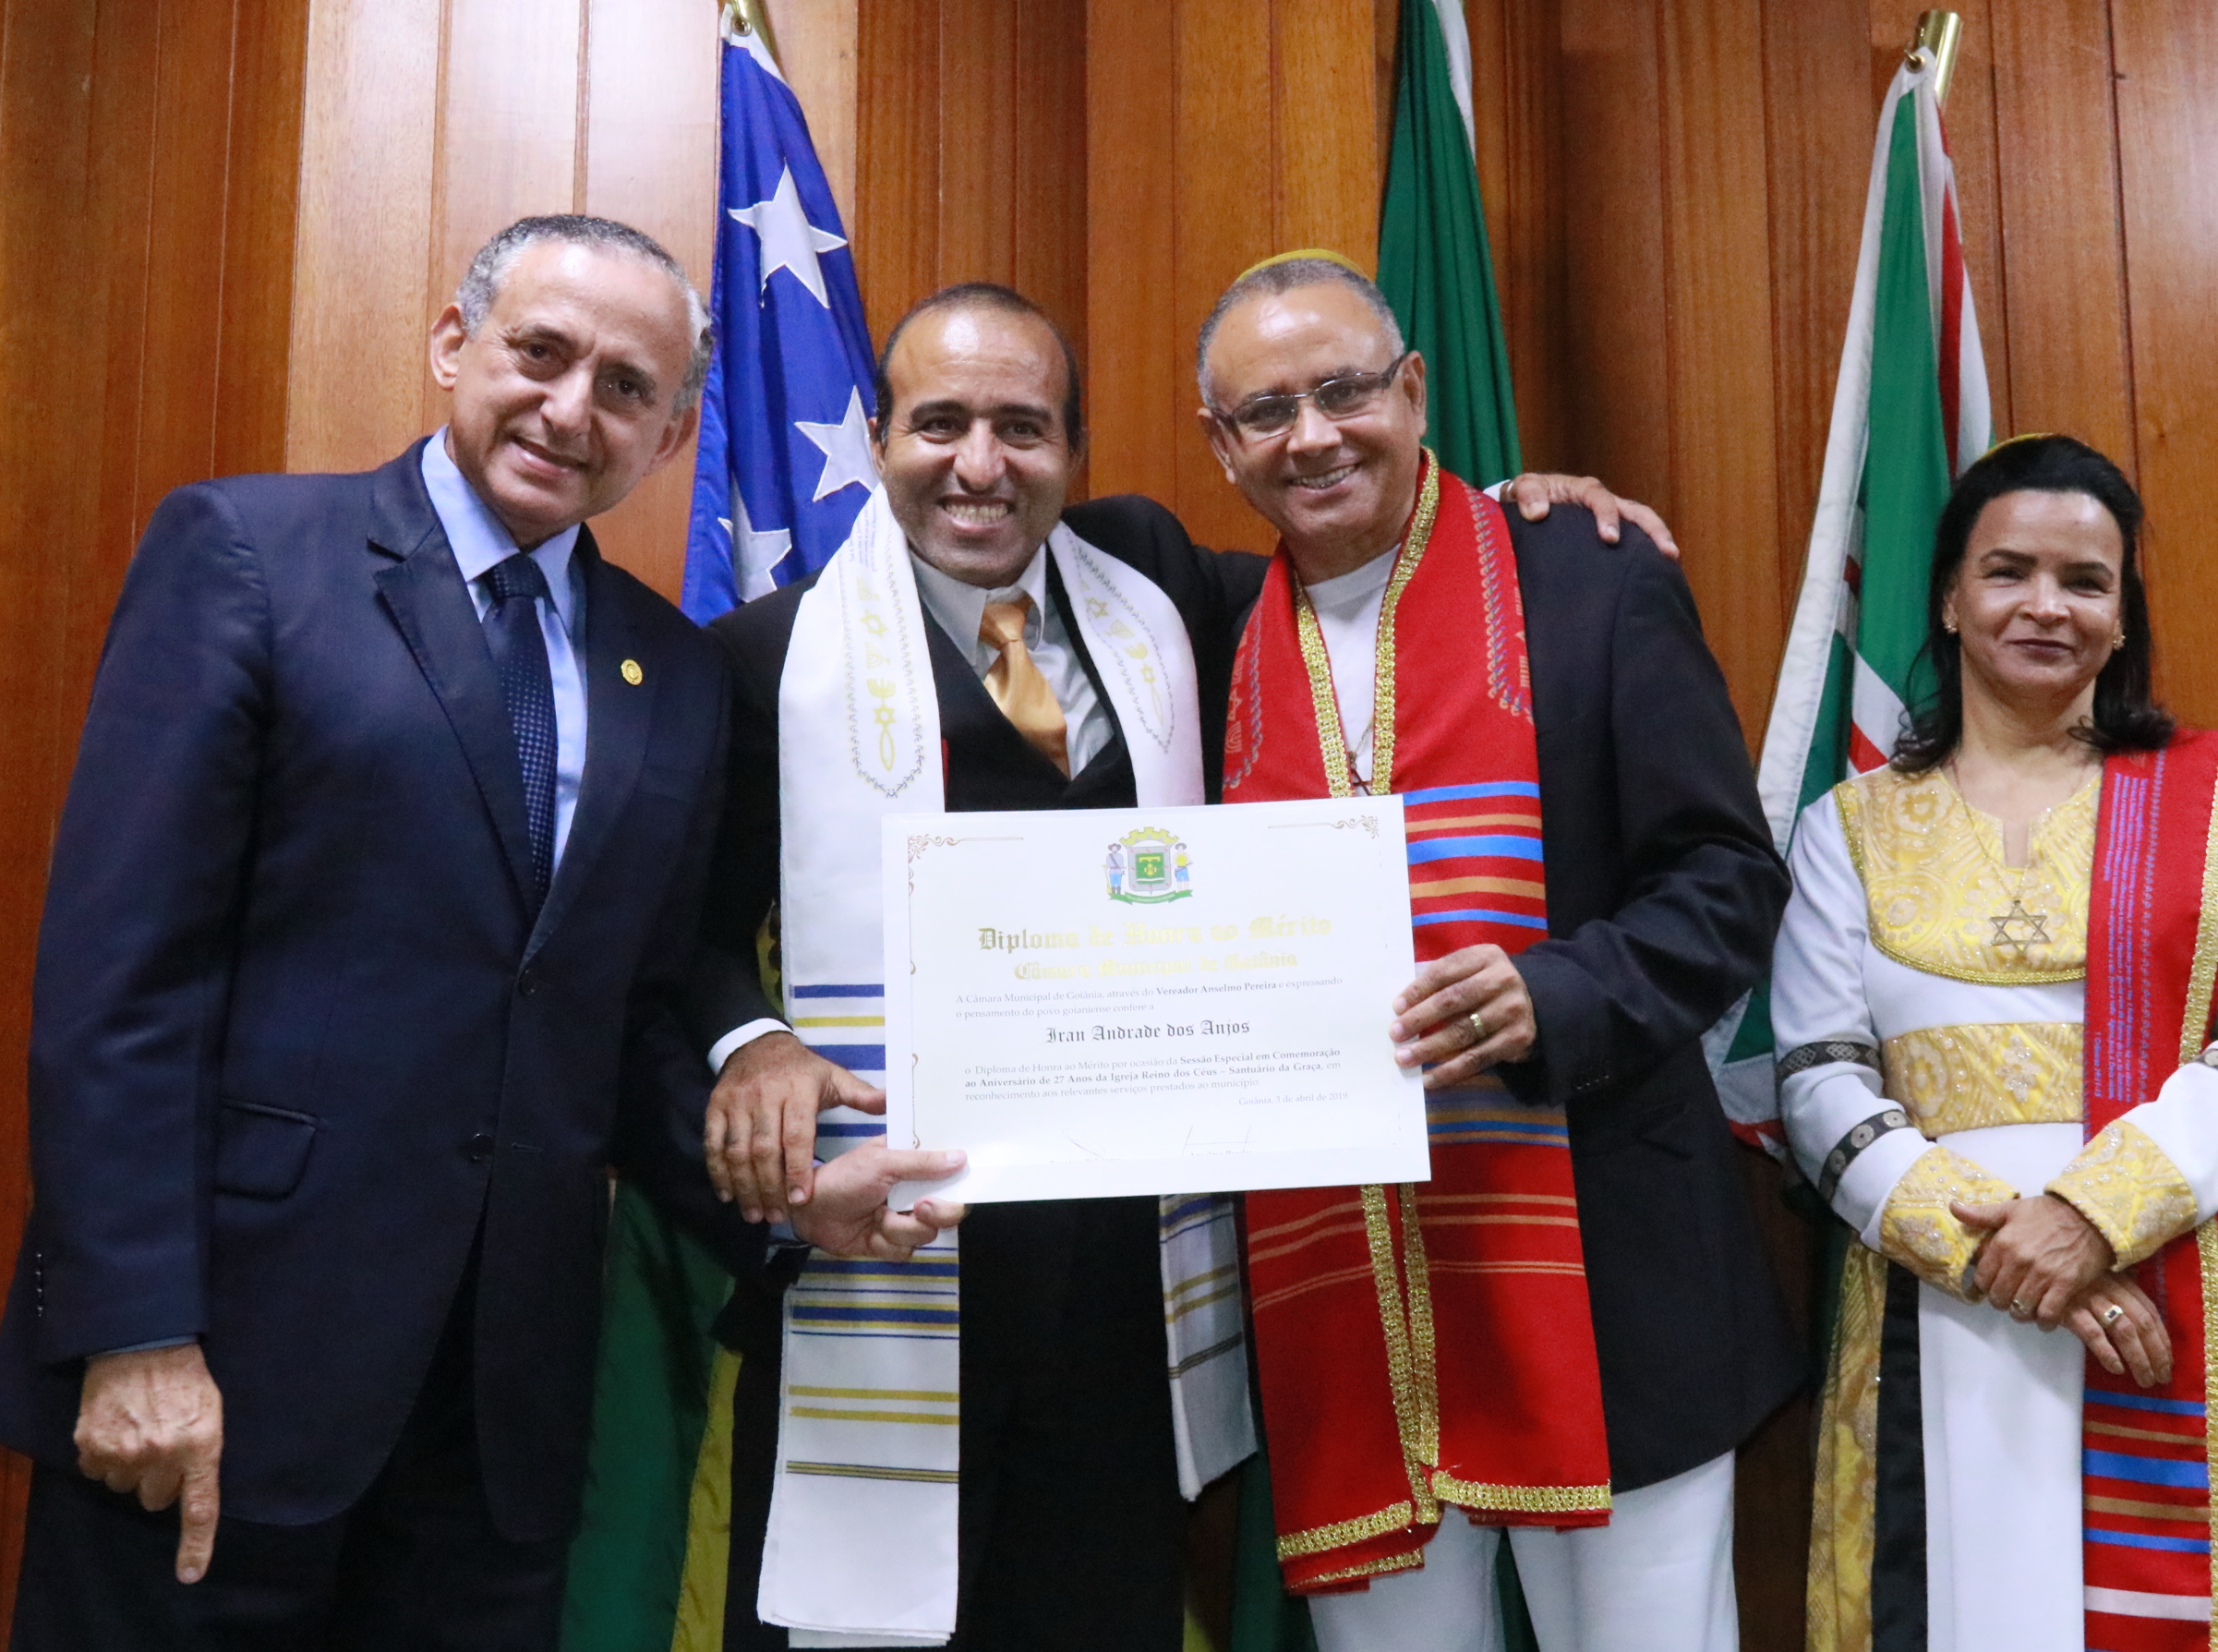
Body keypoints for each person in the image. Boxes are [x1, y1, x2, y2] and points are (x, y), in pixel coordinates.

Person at [0, 215, 959, 1652]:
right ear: (453, 344)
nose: (571, 409)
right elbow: (120, 986)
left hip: (496, 1429)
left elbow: (616, 1023)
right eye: (540, 353)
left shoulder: (671, 671)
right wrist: (133, 1334)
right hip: (222, 1374)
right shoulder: (250, 555)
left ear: (674, 435)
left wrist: (791, 1197)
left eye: (626, 388)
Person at [687, 281, 1671, 1649]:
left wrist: (1511, 512)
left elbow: (1364, 555)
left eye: (1023, 428)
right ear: (878, 437)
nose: (980, 465)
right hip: (887, 1264)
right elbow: (677, 938)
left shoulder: (1152, 589)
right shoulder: (765, 664)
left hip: (1123, 1301)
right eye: (941, 423)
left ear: (1076, 451)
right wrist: (754, 1041)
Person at [1195, 255, 1802, 1652]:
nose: (1313, 435)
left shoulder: (1585, 576)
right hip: (1344, 1292)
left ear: (1413, 390)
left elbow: (1727, 879)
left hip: (1606, 1273)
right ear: (1223, 448)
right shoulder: (1206, 626)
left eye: (1345, 390)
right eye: (1267, 411)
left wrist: (1556, 993)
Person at [1770, 434, 2218, 1652]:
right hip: (1939, 1304)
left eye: (2085, 581)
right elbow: (1819, 1075)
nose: (2047, 605)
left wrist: (2094, 1216)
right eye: (2009, 572)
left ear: (2122, 614)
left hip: (2172, 1293)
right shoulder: (1850, 828)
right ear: (1949, 596)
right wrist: (2008, 1255)